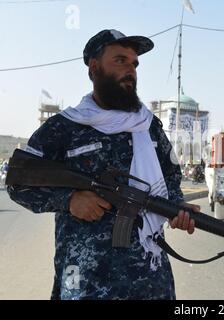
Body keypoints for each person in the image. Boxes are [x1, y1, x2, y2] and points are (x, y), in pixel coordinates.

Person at [7, 29, 199, 300]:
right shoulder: (65, 127)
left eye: (134, 63)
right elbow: (18, 183)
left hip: (149, 277)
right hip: (87, 280)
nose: (130, 70)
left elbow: (171, 175)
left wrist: (176, 205)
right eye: (120, 60)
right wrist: (68, 200)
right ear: (94, 68)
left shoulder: (148, 126)